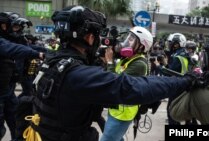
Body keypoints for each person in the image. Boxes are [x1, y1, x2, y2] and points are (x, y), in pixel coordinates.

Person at [27, 6, 197, 141]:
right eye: (97, 35)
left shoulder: (53, 61)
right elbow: (133, 87)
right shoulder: (77, 74)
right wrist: (184, 81)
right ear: (89, 38)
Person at [100, 26, 153, 141]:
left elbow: (114, 83)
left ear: (141, 46)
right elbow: (115, 74)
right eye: (128, 37)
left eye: (131, 39)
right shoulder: (128, 59)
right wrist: (108, 61)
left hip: (123, 113)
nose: (126, 41)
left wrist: (110, 62)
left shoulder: (139, 64)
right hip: (116, 108)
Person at [0, 12, 44, 140]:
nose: (17, 30)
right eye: (14, 27)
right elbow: (13, 49)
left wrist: (53, 53)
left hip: (8, 90)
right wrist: (38, 55)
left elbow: (29, 47)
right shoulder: (4, 43)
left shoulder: (15, 41)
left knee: (18, 121)